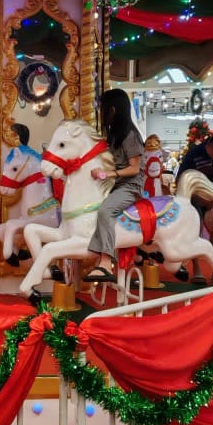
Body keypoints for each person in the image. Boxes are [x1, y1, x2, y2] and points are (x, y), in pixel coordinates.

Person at [83, 89, 145, 283]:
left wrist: (109, 173)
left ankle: (105, 262)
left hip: (130, 185)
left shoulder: (129, 136)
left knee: (106, 210)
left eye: (103, 110)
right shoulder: (114, 135)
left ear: (112, 110)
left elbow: (134, 168)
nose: (101, 114)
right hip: (115, 183)